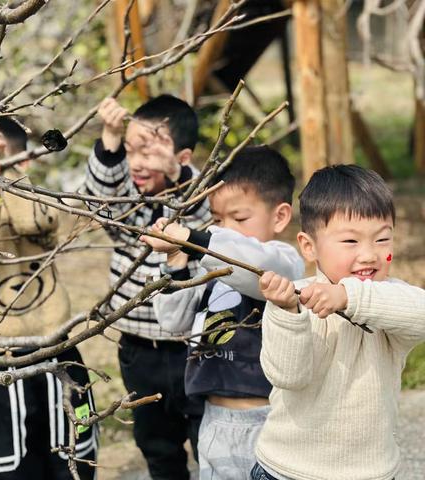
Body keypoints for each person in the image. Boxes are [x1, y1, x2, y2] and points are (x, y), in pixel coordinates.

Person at [0, 117, 98, 480]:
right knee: (8, 470)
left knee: (73, 463)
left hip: (59, 353)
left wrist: (7, 178)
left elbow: (36, 223)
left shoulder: (39, 198)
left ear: (24, 160)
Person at [251, 164, 425, 480]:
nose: (370, 254)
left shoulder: (389, 301)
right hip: (287, 470)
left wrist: (348, 296)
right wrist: (286, 313)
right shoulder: (294, 297)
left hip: (372, 472)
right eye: (350, 242)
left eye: (383, 239)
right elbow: (288, 376)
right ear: (308, 246)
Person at [141, 146, 305, 480]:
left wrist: (194, 238)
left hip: (270, 419)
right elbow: (173, 321)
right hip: (214, 419)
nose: (224, 230)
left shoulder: (284, 261)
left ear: (280, 216)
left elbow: (255, 267)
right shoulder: (208, 268)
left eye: (239, 219)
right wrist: (175, 260)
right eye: (216, 220)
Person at [83, 95, 211, 479]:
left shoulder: (197, 198)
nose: (137, 161)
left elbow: (201, 221)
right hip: (140, 351)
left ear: (182, 158)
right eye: (129, 150)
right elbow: (103, 203)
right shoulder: (131, 210)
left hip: (195, 352)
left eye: (148, 151)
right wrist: (109, 137)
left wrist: (179, 179)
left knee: (209, 441)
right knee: (156, 444)